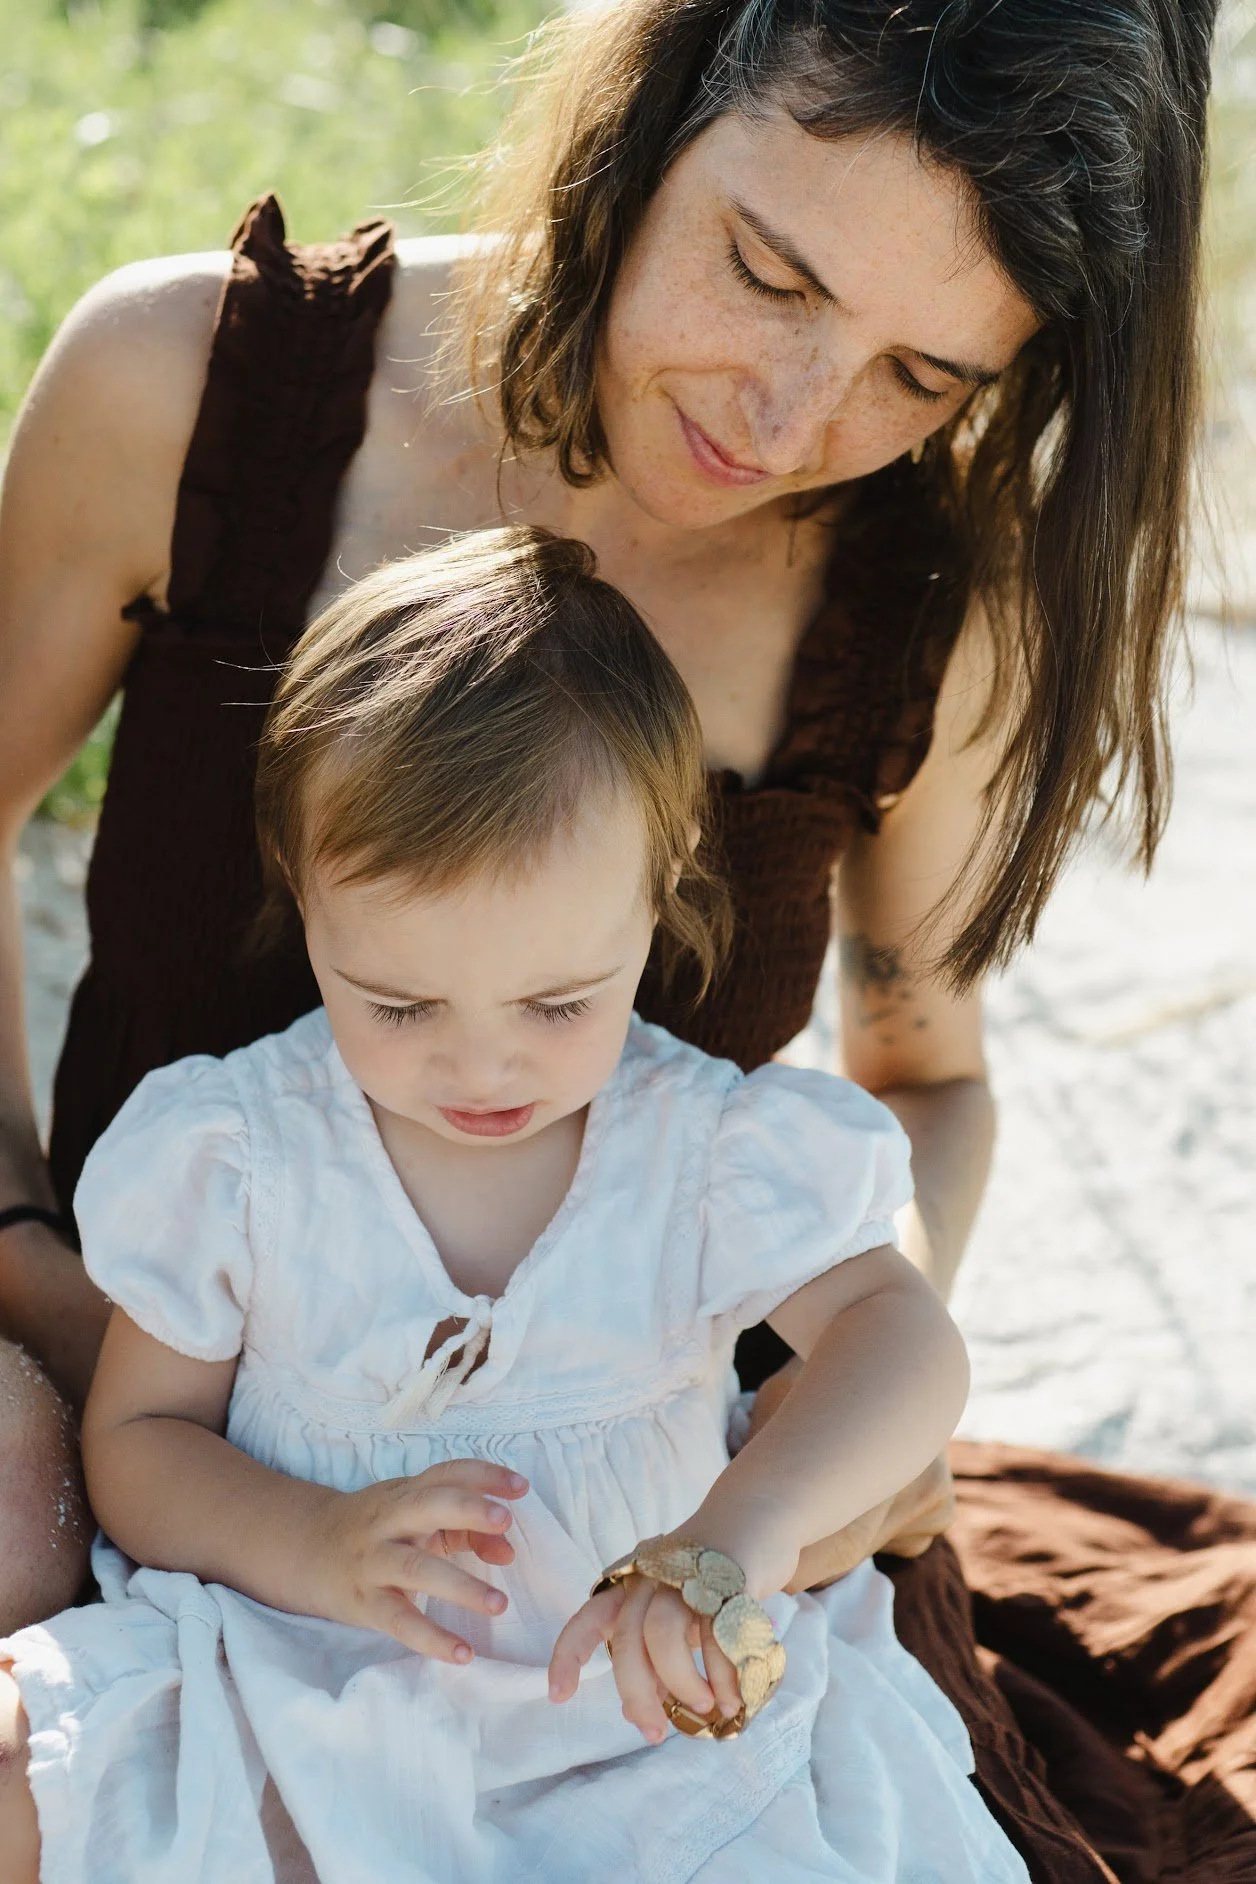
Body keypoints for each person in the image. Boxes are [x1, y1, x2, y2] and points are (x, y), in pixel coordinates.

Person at [1, 1, 1247, 1877]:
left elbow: (925, 1076)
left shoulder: (924, 602)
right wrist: (37, 1275)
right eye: (765, 272)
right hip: (131, 1365)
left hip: (636, 1517)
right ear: (657, 104)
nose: (789, 418)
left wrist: (825, 1441)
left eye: (923, 374)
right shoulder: (182, 388)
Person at [0, 527, 1026, 1883]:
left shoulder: (699, 1148)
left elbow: (904, 1345)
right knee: (34, 1771)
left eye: (558, 1003)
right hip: (298, 1676)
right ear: (304, 902)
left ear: (654, 904)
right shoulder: (244, 1151)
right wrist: (304, 1537)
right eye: (399, 1003)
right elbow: (139, 1438)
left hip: (632, 1710)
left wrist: (734, 1538)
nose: (480, 1067)